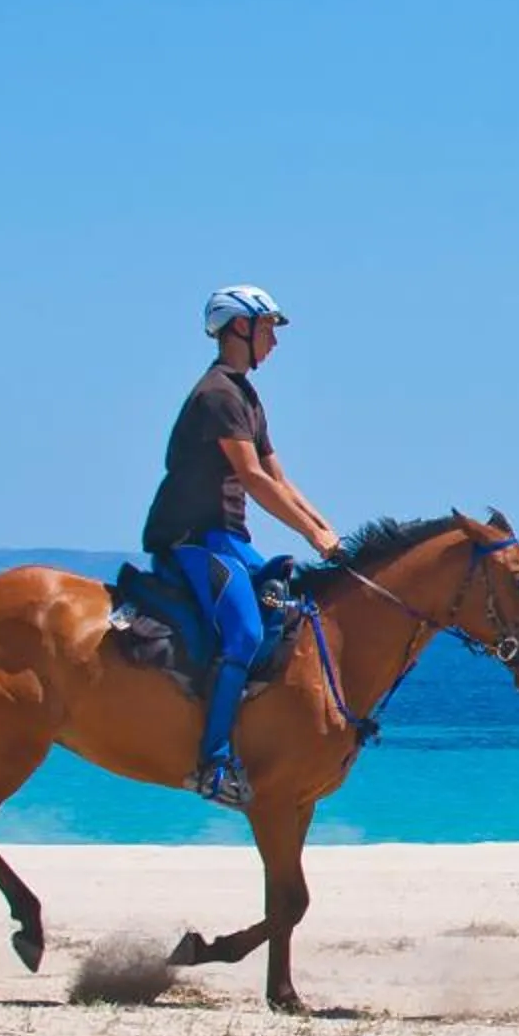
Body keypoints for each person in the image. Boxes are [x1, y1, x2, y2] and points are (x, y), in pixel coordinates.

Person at [140, 286, 342, 807]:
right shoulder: (217, 395)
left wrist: (327, 531)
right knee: (246, 631)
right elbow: (252, 477)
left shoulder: (247, 396)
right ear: (239, 329)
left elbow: (280, 476)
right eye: (268, 328)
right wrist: (310, 534)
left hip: (229, 540)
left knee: (292, 611)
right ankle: (213, 763)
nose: (274, 340)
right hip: (191, 540)